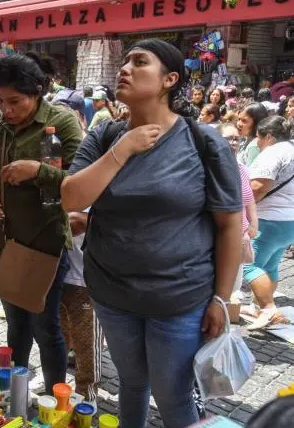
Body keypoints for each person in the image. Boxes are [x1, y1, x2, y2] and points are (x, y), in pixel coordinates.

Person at [61, 39, 242, 428]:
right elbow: (71, 196)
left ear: (169, 80)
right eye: (124, 61)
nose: (125, 68)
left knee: (174, 395)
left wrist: (221, 300)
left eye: (139, 62)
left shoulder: (202, 141)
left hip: (178, 298)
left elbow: (229, 225)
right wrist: (123, 149)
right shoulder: (106, 135)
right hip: (112, 293)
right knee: (130, 382)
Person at [0, 52, 84, 389]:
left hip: (42, 244)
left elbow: (79, 180)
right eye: (0, 100)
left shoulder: (60, 123)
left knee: (44, 327)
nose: (6, 110)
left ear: (36, 91)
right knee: (16, 325)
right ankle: (12, 392)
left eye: (14, 101)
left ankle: (54, 398)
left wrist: (38, 171)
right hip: (1, 243)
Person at [243, 116, 294, 329]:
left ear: (269, 136)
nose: (257, 143)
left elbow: (257, 186)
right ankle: (258, 307)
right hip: (289, 221)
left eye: (259, 138)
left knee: (249, 265)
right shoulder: (291, 149)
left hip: (269, 219)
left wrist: (244, 210)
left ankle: (268, 309)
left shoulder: (274, 152)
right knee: (271, 265)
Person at [59, 211, 102, 400]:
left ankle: (86, 398)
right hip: (55, 272)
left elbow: (128, 221)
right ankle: (57, 391)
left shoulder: (107, 182)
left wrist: (87, 221)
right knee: (58, 339)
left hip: (87, 278)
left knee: (87, 346)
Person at [217, 123, 258, 297]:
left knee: (232, 287)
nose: (233, 142)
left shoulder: (242, 169)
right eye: (228, 138)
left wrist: (253, 223)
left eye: (236, 139)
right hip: (218, 237)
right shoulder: (211, 169)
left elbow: (249, 201)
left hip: (240, 237)